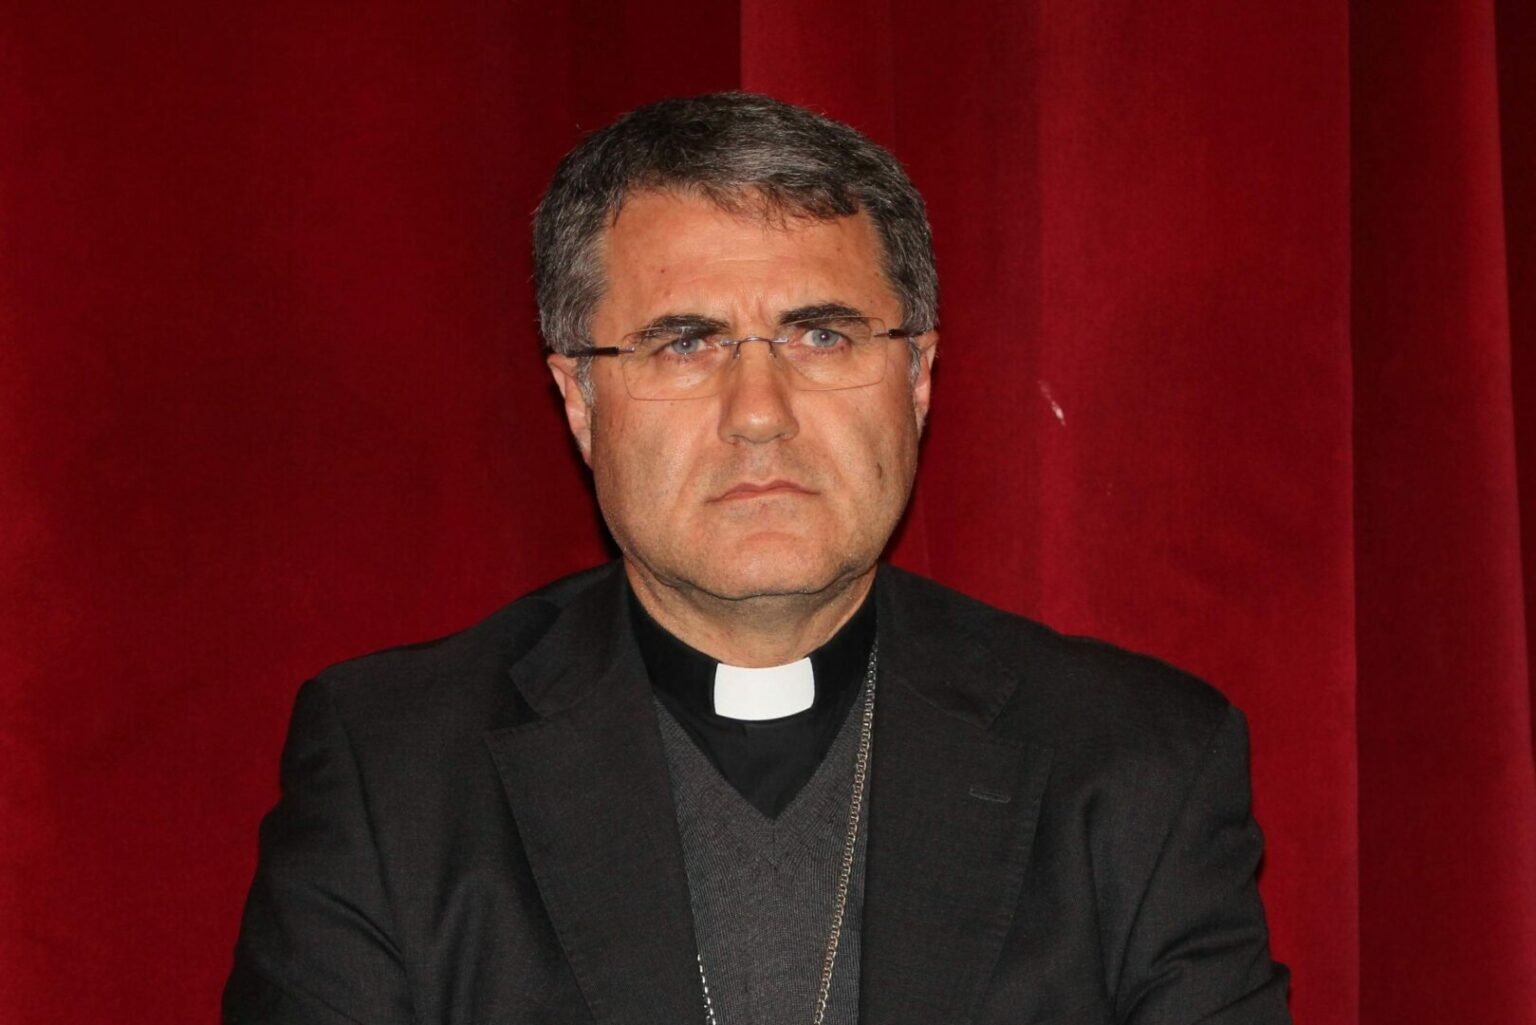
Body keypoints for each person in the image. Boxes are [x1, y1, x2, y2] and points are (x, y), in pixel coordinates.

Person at [224, 92, 1292, 1025]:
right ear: (580, 399)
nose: (759, 413)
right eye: (685, 343)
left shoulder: (1139, 769)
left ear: (918, 377)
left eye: (822, 335)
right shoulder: (395, 776)